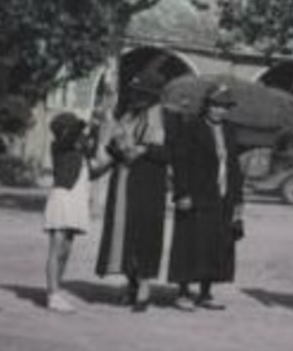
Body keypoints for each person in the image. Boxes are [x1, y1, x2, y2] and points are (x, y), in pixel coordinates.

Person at [94, 64, 170, 313]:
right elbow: (112, 148)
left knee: (145, 235)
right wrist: (119, 147)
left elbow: (172, 153)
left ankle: (145, 288)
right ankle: (131, 283)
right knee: (124, 234)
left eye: (143, 94)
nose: (138, 98)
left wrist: (145, 150)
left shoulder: (166, 117)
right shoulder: (127, 115)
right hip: (124, 181)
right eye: (136, 92)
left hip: (149, 185)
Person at [166, 84, 245, 311]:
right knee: (189, 243)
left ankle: (205, 292)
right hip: (196, 196)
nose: (219, 111)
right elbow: (180, 162)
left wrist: (238, 199)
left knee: (215, 244)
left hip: (222, 197)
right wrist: (182, 194)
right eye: (215, 105)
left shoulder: (230, 130)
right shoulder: (191, 128)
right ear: (207, 105)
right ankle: (182, 292)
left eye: (224, 107)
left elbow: (233, 166)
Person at [42, 111, 101, 313]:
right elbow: (72, 136)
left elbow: (92, 173)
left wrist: (113, 161)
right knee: (56, 248)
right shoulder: (58, 146)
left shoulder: (77, 152)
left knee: (66, 251)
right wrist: (86, 123)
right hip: (62, 198)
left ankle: (56, 289)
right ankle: (52, 294)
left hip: (76, 202)